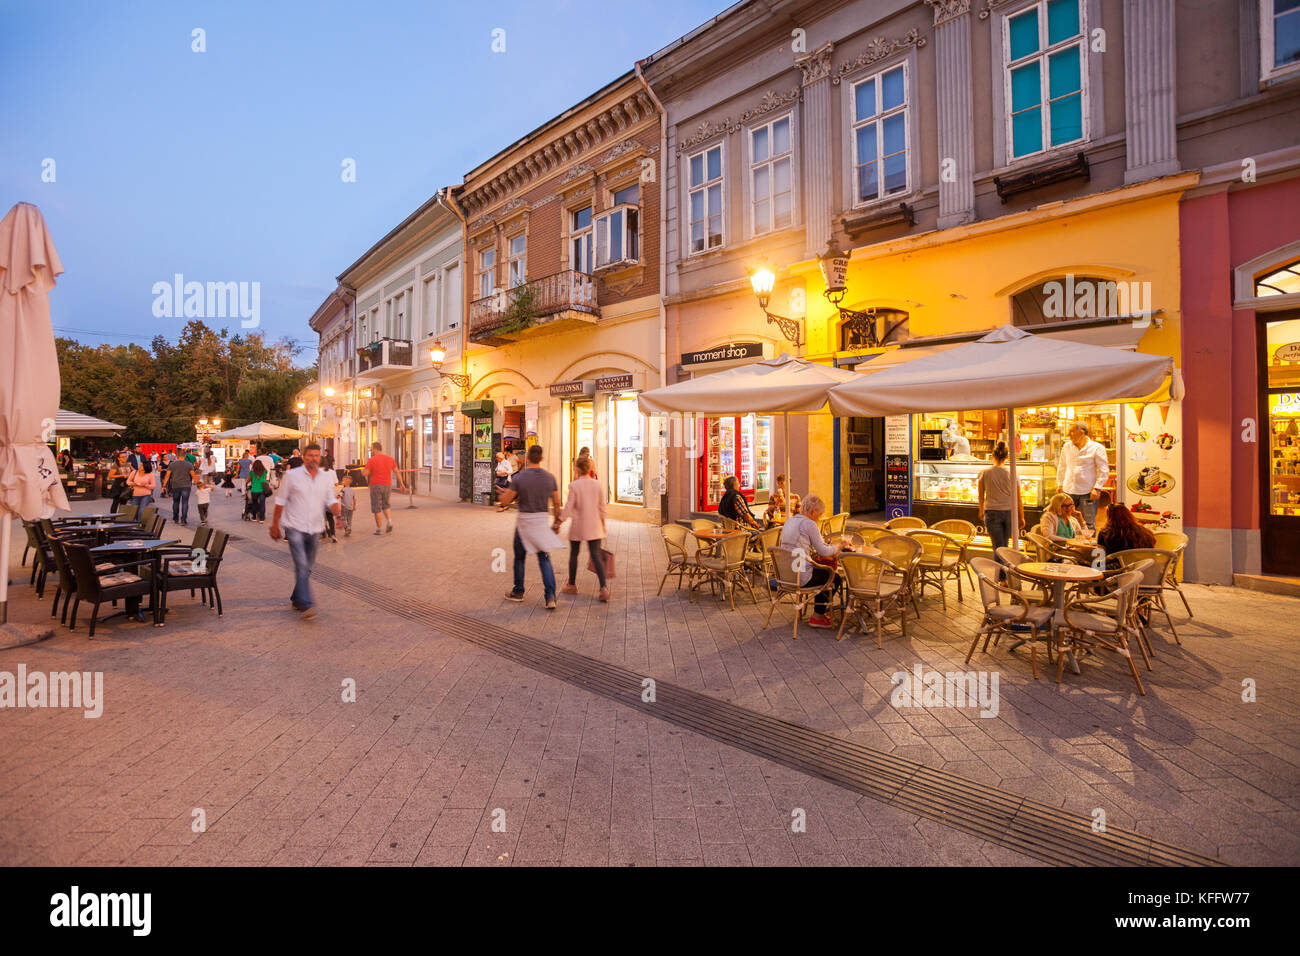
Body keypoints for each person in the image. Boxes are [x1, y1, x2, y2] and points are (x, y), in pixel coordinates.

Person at [269, 442, 341, 620]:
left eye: (316, 456)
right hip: (294, 526)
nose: (313, 459)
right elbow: (280, 502)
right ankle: (306, 604)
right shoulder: (292, 476)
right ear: (303, 457)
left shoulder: (325, 477)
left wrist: (338, 516)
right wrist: (274, 525)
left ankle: (296, 598)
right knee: (301, 565)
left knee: (307, 568)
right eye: (310, 455)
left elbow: (330, 499)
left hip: (315, 528)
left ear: (320, 458)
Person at [498, 444, 563, 609]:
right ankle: (550, 597)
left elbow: (506, 501)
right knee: (544, 559)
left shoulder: (520, 478)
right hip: (541, 522)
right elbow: (557, 502)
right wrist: (556, 523)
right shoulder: (550, 478)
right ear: (541, 458)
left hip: (524, 523)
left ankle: (518, 591)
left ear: (527, 458)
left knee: (519, 558)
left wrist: (503, 494)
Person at [778, 493, 844, 629]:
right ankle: (817, 617)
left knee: (822, 571)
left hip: (785, 574)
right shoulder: (809, 524)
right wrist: (839, 546)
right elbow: (824, 552)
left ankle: (819, 613)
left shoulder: (790, 520)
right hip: (800, 576)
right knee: (833, 576)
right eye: (819, 515)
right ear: (814, 511)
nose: (819, 518)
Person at [558, 456, 609, 602]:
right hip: (595, 525)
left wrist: (559, 521)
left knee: (574, 554)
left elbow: (569, 507)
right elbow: (602, 507)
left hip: (579, 525)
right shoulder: (598, 485)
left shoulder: (574, 485)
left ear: (578, 469)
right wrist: (603, 524)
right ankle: (603, 588)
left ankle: (572, 585)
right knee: (596, 556)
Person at [977, 441, 1025, 560]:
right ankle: (1004, 575)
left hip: (991, 512)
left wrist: (981, 510)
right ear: (1007, 457)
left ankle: (1002, 576)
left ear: (992, 455)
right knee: (1006, 546)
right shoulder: (1013, 473)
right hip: (1009, 511)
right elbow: (1018, 498)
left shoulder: (984, 472)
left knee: (997, 547)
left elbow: (981, 494)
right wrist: (1021, 516)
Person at [1057, 422, 1109, 529]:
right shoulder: (1066, 447)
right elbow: (1062, 467)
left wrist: (1097, 488)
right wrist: (1060, 485)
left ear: (1081, 433)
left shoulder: (1097, 448)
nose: (1069, 435)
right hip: (1068, 491)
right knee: (1065, 521)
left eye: (1071, 431)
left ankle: (1089, 545)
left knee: (1089, 523)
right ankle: (1069, 543)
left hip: (1088, 492)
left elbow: (1103, 470)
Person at [362, 441, 406, 535]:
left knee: (376, 507)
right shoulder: (390, 459)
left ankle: (379, 529)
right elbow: (397, 472)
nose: (371, 450)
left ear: (375, 449)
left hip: (376, 485)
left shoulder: (372, 460)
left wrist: (362, 471)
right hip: (387, 485)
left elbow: (366, 473)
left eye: (372, 449)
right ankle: (389, 521)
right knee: (386, 505)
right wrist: (401, 484)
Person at [164, 452, 197, 525]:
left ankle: (175, 517)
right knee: (185, 502)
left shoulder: (172, 464)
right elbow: (193, 475)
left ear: (177, 456)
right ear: (185, 456)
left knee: (176, 502)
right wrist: (197, 483)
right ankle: (183, 520)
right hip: (186, 485)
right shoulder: (189, 464)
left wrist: (164, 486)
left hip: (175, 485)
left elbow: (167, 475)